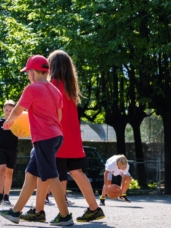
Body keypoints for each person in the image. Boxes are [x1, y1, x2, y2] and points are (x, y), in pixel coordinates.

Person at [18, 50, 105, 223]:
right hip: (72, 139)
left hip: (54, 137)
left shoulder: (50, 86)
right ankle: (94, 208)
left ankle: (38, 210)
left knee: (46, 173)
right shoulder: (71, 88)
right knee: (78, 172)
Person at [0, 55, 73, 225]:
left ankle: (65, 215)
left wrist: (9, 122)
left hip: (44, 138)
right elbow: (59, 116)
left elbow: (18, 110)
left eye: (27, 73)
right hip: (56, 136)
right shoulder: (55, 91)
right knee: (31, 173)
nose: (28, 76)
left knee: (50, 175)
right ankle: (15, 212)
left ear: (32, 72)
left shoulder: (32, 88)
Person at [0, 100, 19, 206]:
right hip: (1, 149)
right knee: (1, 169)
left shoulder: (17, 123)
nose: (8, 112)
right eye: (6, 110)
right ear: (3, 109)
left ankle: (6, 196)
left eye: (11, 110)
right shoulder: (0, 122)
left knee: (9, 173)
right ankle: (0, 195)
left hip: (12, 150)